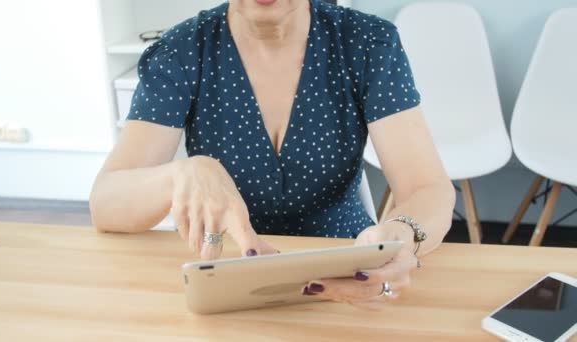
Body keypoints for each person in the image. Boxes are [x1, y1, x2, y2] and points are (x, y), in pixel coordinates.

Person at [89, 0, 455, 307]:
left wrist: (402, 234)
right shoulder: (182, 50)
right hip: (225, 279)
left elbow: (428, 188)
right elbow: (106, 202)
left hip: (348, 275)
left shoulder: (367, 42)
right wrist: (181, 173)